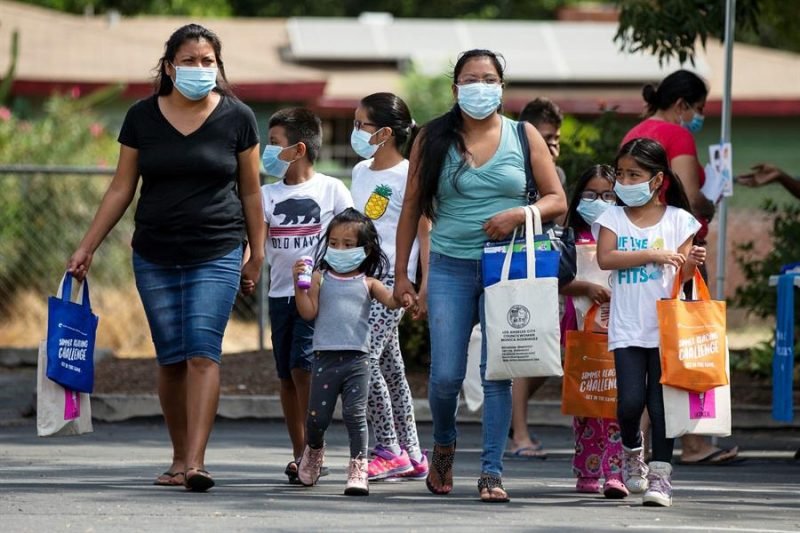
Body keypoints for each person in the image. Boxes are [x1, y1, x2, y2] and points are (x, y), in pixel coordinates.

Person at [67, 24, 265, 492]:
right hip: (154, 253)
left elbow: (252, 191)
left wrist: (257, 252)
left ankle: (196, 463)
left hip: (217, 249)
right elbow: (121, 188)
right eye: (190, 60)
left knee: (202, 353)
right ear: (170, 66)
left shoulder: (238, 117)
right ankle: (178, 458)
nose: (200, 68)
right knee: (171, 359)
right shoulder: (141, 116)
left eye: (207, 61)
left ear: (218, 66)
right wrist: (87, 245)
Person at [393, 49, 567, 502]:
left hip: (507, 269)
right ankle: (444, 445)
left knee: (497, 373)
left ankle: (492, 471)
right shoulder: (431, 137)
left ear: (502, 88)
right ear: (455, 89)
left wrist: (518, 214)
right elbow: (411, 207)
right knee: (445, 377)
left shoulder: (522, 134)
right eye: (471, 79)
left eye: (489, 79)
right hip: (449, 264)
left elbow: (557, 200)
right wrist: (402, 275)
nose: (480, 87)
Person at [622, 70, 738, 466]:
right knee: (683, 344)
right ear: (681, 105)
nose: (698, 117)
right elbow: (690, 196)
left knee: (648, 351)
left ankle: (640, 447)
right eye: (698, 109)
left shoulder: (635, 132)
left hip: (639, 251)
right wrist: (712, 196)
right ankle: (690, 443)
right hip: (679, 251)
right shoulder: (678, 135)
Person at [595, 138, 706, 507]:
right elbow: (606, 258)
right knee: (629, 403)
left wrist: (692, 263)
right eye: (621, 174)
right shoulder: (612, 218)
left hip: (667, 330)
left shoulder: (680, 220)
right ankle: (632, 451)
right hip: (627, 327)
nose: (625, 182)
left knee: (661, 407)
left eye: (634, 175)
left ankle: (661, 478)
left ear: (657, 180)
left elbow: (683, 277)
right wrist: (652, 254)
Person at [259, 107, 353, 484]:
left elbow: (352, 235)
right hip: (279, 294)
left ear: (298, 149)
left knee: (303, 366)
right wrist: (248, 266)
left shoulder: (332, 189)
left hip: (316, 295)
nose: (268, 151)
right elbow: (255, 241)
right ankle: (300, 451)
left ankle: (314, 447)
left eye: (274, 143)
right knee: (286, 374)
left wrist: (331, 273)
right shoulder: (266, 195)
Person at [349, 92, 430, 481]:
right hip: (360, 281)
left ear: (384, 132)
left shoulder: (410, 174)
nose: (355, 131)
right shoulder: (360, 171)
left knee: (360, 359)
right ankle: (411, 452)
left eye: (360, 124)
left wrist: (422, 285)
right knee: (391, 368)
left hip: (391, 284)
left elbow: (425, 232)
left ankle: (388, 449)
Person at [293, 208, 401, 496]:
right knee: (317, 418)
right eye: (334, 243)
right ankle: (314, 451)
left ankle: (358, 467)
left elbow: (392, 301)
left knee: (355, 416)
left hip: (358, 360)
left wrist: (405, 293)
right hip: (324, 358)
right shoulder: (320, 278)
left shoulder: (369, 283)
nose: (339, 249)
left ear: (365, 249)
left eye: (348, 244)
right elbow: (308, 312)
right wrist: (299, 286)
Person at [505, 96, 567, 460]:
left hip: (549, 268)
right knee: (524, 353)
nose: (552, 145)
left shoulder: (556, 175)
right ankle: (520, 434)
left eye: (556, 138)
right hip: (518, 268)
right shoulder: (513, 171)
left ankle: (507, 415)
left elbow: (562, 219)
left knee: (550, 354)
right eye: (545, 138)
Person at [559, 164, 627, 498]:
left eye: (607, 195)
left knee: (616, 403)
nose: (598, 201)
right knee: (586, 402)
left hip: (620, 328)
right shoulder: (570, 236)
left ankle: (615, 472)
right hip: (579, 330)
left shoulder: (626, 234)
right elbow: (557, 281)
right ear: (578, 196)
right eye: (590, 194)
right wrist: (585, 287)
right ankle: (588, 469)